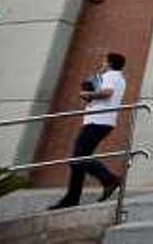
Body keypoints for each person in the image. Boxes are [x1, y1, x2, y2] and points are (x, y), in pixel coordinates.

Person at [49, 53, 127, 210]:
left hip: (97, 122)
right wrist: (91, 95)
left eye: (104, 61)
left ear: (110, 63)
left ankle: (109, 179)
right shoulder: (119, 78)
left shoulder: (110, 76)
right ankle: (73, 197)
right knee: (79, 160)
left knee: (77, 159)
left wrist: (87, 94)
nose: (102, 63)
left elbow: (107, 93)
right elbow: (106, 96)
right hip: (103, 122)